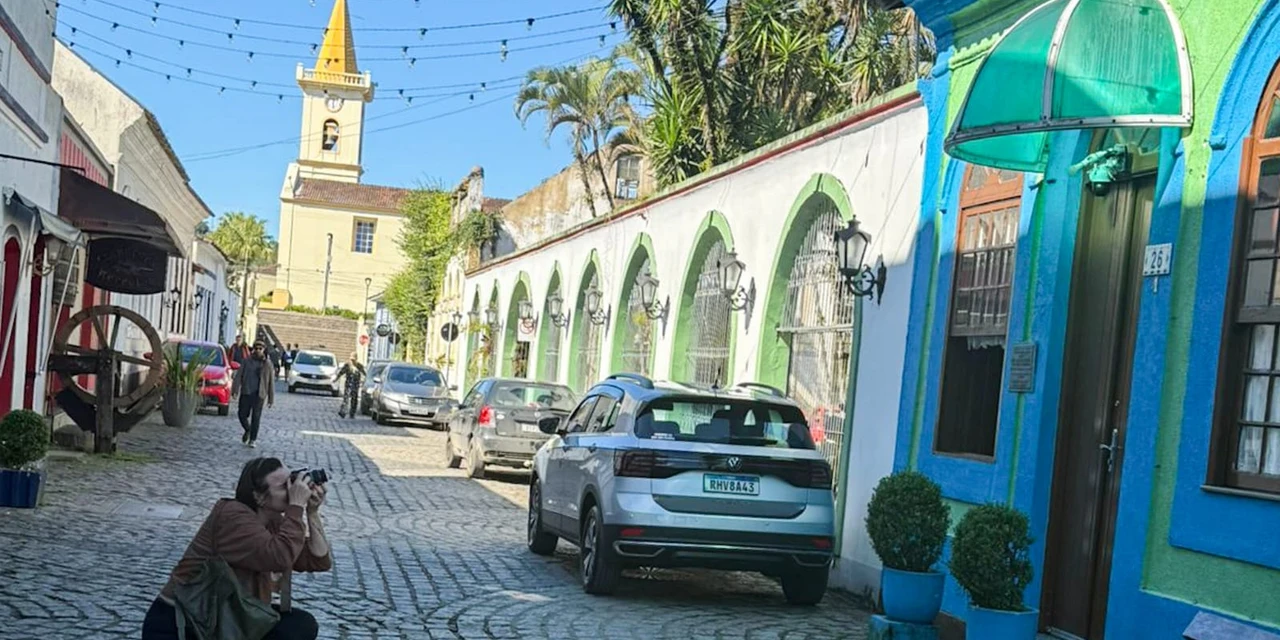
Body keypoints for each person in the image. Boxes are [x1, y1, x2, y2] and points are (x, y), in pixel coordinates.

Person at [141, 457, 331, 640]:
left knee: (300, 625)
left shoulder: (272, 521)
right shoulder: (232, 516)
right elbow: (279, 557)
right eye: (284, 486)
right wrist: (295, 506)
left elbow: (317, 559)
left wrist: (312, 512)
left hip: (224, 619)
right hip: (182, 625)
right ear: (258, 496)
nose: (293, 490)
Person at [232, 341, 276, 447]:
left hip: (259, 394)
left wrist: (271, 399)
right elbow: (238, 376)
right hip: (246, 392)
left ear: (264, 350)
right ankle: (248, 429)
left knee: (256, 417)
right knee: (242, 414)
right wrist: (235, 390)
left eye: (260, 349)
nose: (258, 350)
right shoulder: (246, 361)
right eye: (256, 348)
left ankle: (253, 439)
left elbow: (271, 382)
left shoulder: (268, 364)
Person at [335, 353, 364, 419]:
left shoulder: (359, 366)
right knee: (346, 399)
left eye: (354, 360)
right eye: (351, 360)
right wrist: (336, 379)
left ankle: (352, 413)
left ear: (356, 359)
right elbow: (341, 372)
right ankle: (343, 412)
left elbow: (364, 374)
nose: (352, 361)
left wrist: (363, 381)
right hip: (348, 385)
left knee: (354, 400)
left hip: (355, 385)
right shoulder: (347, 365)